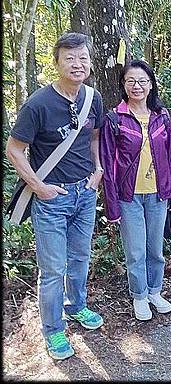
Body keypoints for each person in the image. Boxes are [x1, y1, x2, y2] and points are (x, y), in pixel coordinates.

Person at [6, 32, 104, 361]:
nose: (77, 64)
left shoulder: (93, 97)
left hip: (85, 194)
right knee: (52, 269)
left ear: (89, 63)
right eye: (69, 58)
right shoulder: (38, 104)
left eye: (83, 58)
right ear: (57, 62)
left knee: (79, 259)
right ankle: (53, 330)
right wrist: (38, 187)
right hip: (52, 199)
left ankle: (76, 306)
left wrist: (98, 170)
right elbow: (14, 150)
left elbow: (93, 138)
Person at [99, 59, 171, 320]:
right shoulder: (115, 119)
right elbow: (108, 165)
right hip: (128, 197)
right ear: (123, 85)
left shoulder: (162, 117)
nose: (137, 86)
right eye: (131, 81)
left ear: (151, 84)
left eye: (143, 81)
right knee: (135, 251)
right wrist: (112, 206)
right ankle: (139, 295)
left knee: (155, 249)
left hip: (158, 194)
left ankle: (155, 291)